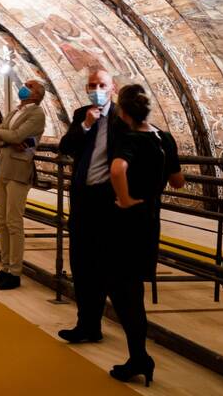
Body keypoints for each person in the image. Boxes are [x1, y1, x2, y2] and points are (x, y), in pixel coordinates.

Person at [106, 84, 183, 386]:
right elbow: (177, 181)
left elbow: (116, 169)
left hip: (126, 222)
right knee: (132, 287)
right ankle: (137, 355)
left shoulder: (128, 138)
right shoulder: (164, 138)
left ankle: (139, 356)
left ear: (123, 112)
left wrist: (124, 198)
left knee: (122, 289)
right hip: (151, 221)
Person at [57, 69, 127, 343]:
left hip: (108, 201)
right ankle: (87, 324)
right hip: (83, 199)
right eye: (91, 85)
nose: (96, 89)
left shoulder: (123, 117)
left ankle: (119, 327)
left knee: (105, 264)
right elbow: (65, 147)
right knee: (81, 262)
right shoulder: (81, 114)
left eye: (101, 85)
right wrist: (85, 125)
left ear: (113, 88)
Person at [0, 80, 47, 290]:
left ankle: (15, 271)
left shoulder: (37, 114)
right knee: (2, 221)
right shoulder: (15, 111)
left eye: (29, 85)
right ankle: (4, 267)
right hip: (2, 168)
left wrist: (5, 136)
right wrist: (8, 138)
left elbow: (17, 135)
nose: (24, 86)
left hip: (19, 170)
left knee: (14, 221)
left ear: (37, 93)